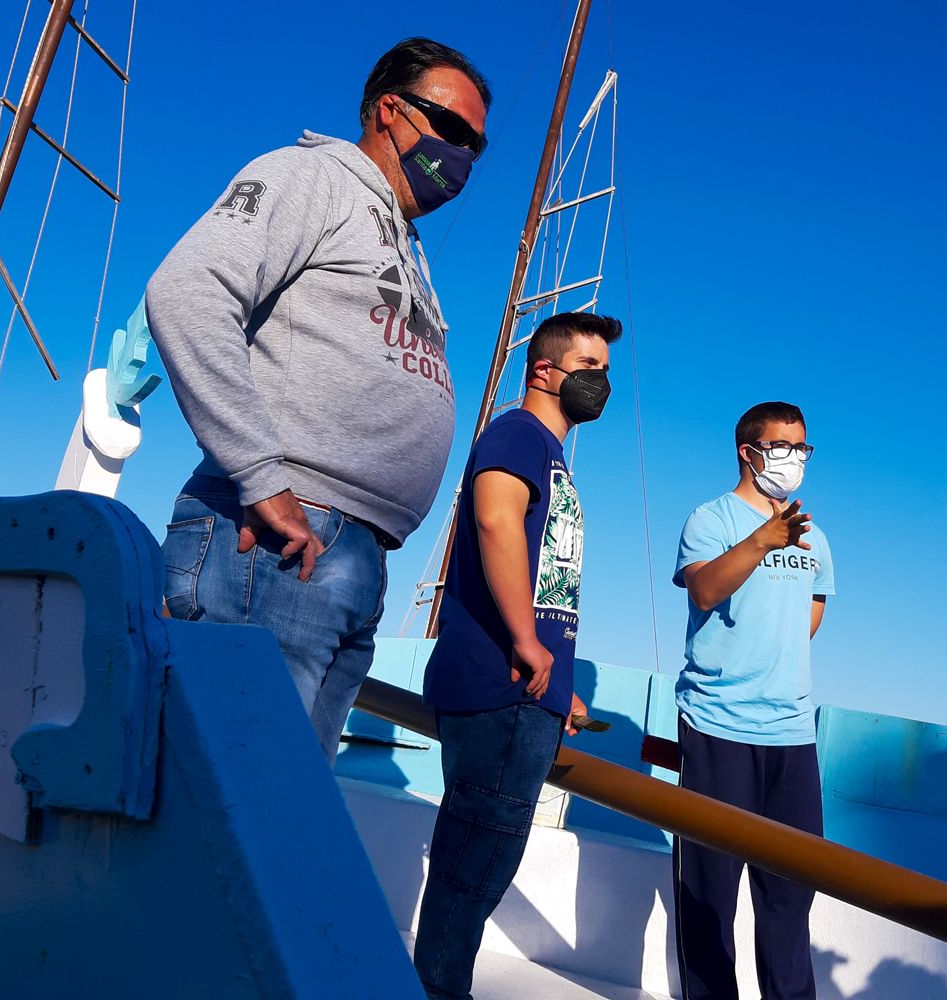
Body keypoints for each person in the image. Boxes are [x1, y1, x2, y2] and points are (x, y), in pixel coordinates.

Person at [147, 38, 490, 760]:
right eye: (451, 129)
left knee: (285, 813)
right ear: (389, 111)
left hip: (353, 553)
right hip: (276, 541)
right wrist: (261, 476)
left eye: (475, 146)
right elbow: (188, 292)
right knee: (232, 804)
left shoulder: (407, 244)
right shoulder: (310, 176)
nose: (462, 155)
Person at [415, 311, 621, 1000]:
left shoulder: (550, 454)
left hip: (530, 695)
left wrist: (561, 682)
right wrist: (526, 643)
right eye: (590, 369)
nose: (601, 384)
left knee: (477, 871)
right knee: (471, 873)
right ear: (544, 372)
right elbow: (495, 516)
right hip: (499, 690)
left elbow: (545, 579)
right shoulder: (517, 434)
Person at [671, 401, 835, 1000]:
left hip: (792, 734)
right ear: (750, 451)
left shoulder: (814, 532)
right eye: (783, 446)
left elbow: (811, 614)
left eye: (802, 448)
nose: (794, 459)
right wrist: (762, 541)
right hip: (716, 725)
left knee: (790, 895)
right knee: (709, 895)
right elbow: (707, 589)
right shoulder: (710, 518)